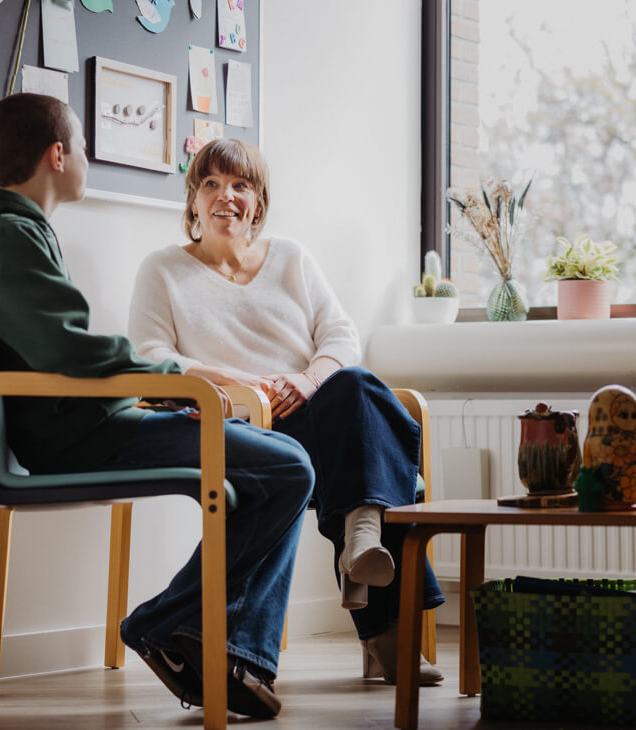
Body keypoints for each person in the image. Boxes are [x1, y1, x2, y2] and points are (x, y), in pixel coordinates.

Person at [0, 94, 314, 718]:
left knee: (283, 462)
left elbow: (61, 347)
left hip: (89, 422)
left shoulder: (7, 232)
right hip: (83, 434)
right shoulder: (9, 236)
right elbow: (70, 350)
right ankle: (175, 628)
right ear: (58, 155)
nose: (84, 158)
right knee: (287, 468)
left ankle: (207, 642)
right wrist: (171, 378)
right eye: (82, 147)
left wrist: (167, 386)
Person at [128, 138, 446, 685]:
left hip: (314, 412)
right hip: (241, 424)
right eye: (211, 184)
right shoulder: (163, 270)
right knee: (374, 444)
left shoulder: (291, 257)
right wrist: (245, 382)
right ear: (193, 202)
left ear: (259, 201)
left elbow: (341, 335)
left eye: (240, 185)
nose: (226, 196)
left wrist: (304, 379)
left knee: (358, 387)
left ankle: (362, 542)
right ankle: (372, 586)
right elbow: (151, 358)